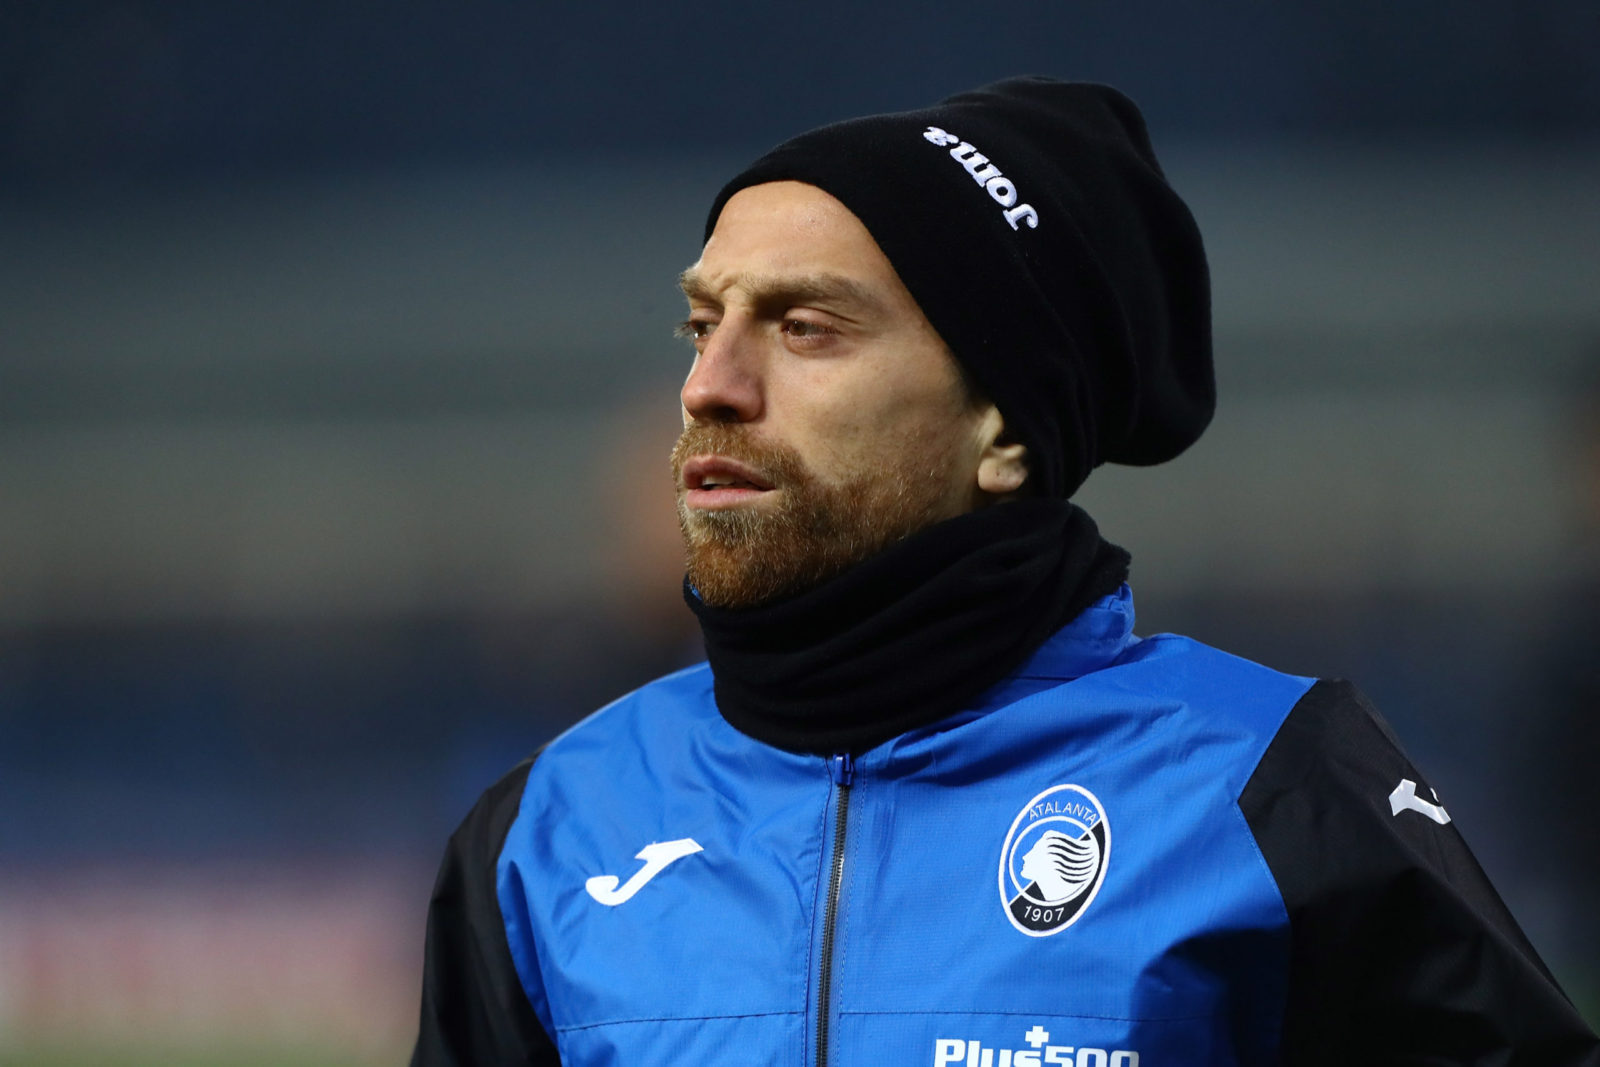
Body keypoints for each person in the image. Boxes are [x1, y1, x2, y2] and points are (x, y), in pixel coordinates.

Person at [410, 78, 1600, 1066]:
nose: (709, 383)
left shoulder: (1266, 785)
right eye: (701, 323)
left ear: (1004, 428)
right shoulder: (546, 830)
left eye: (806, 326)